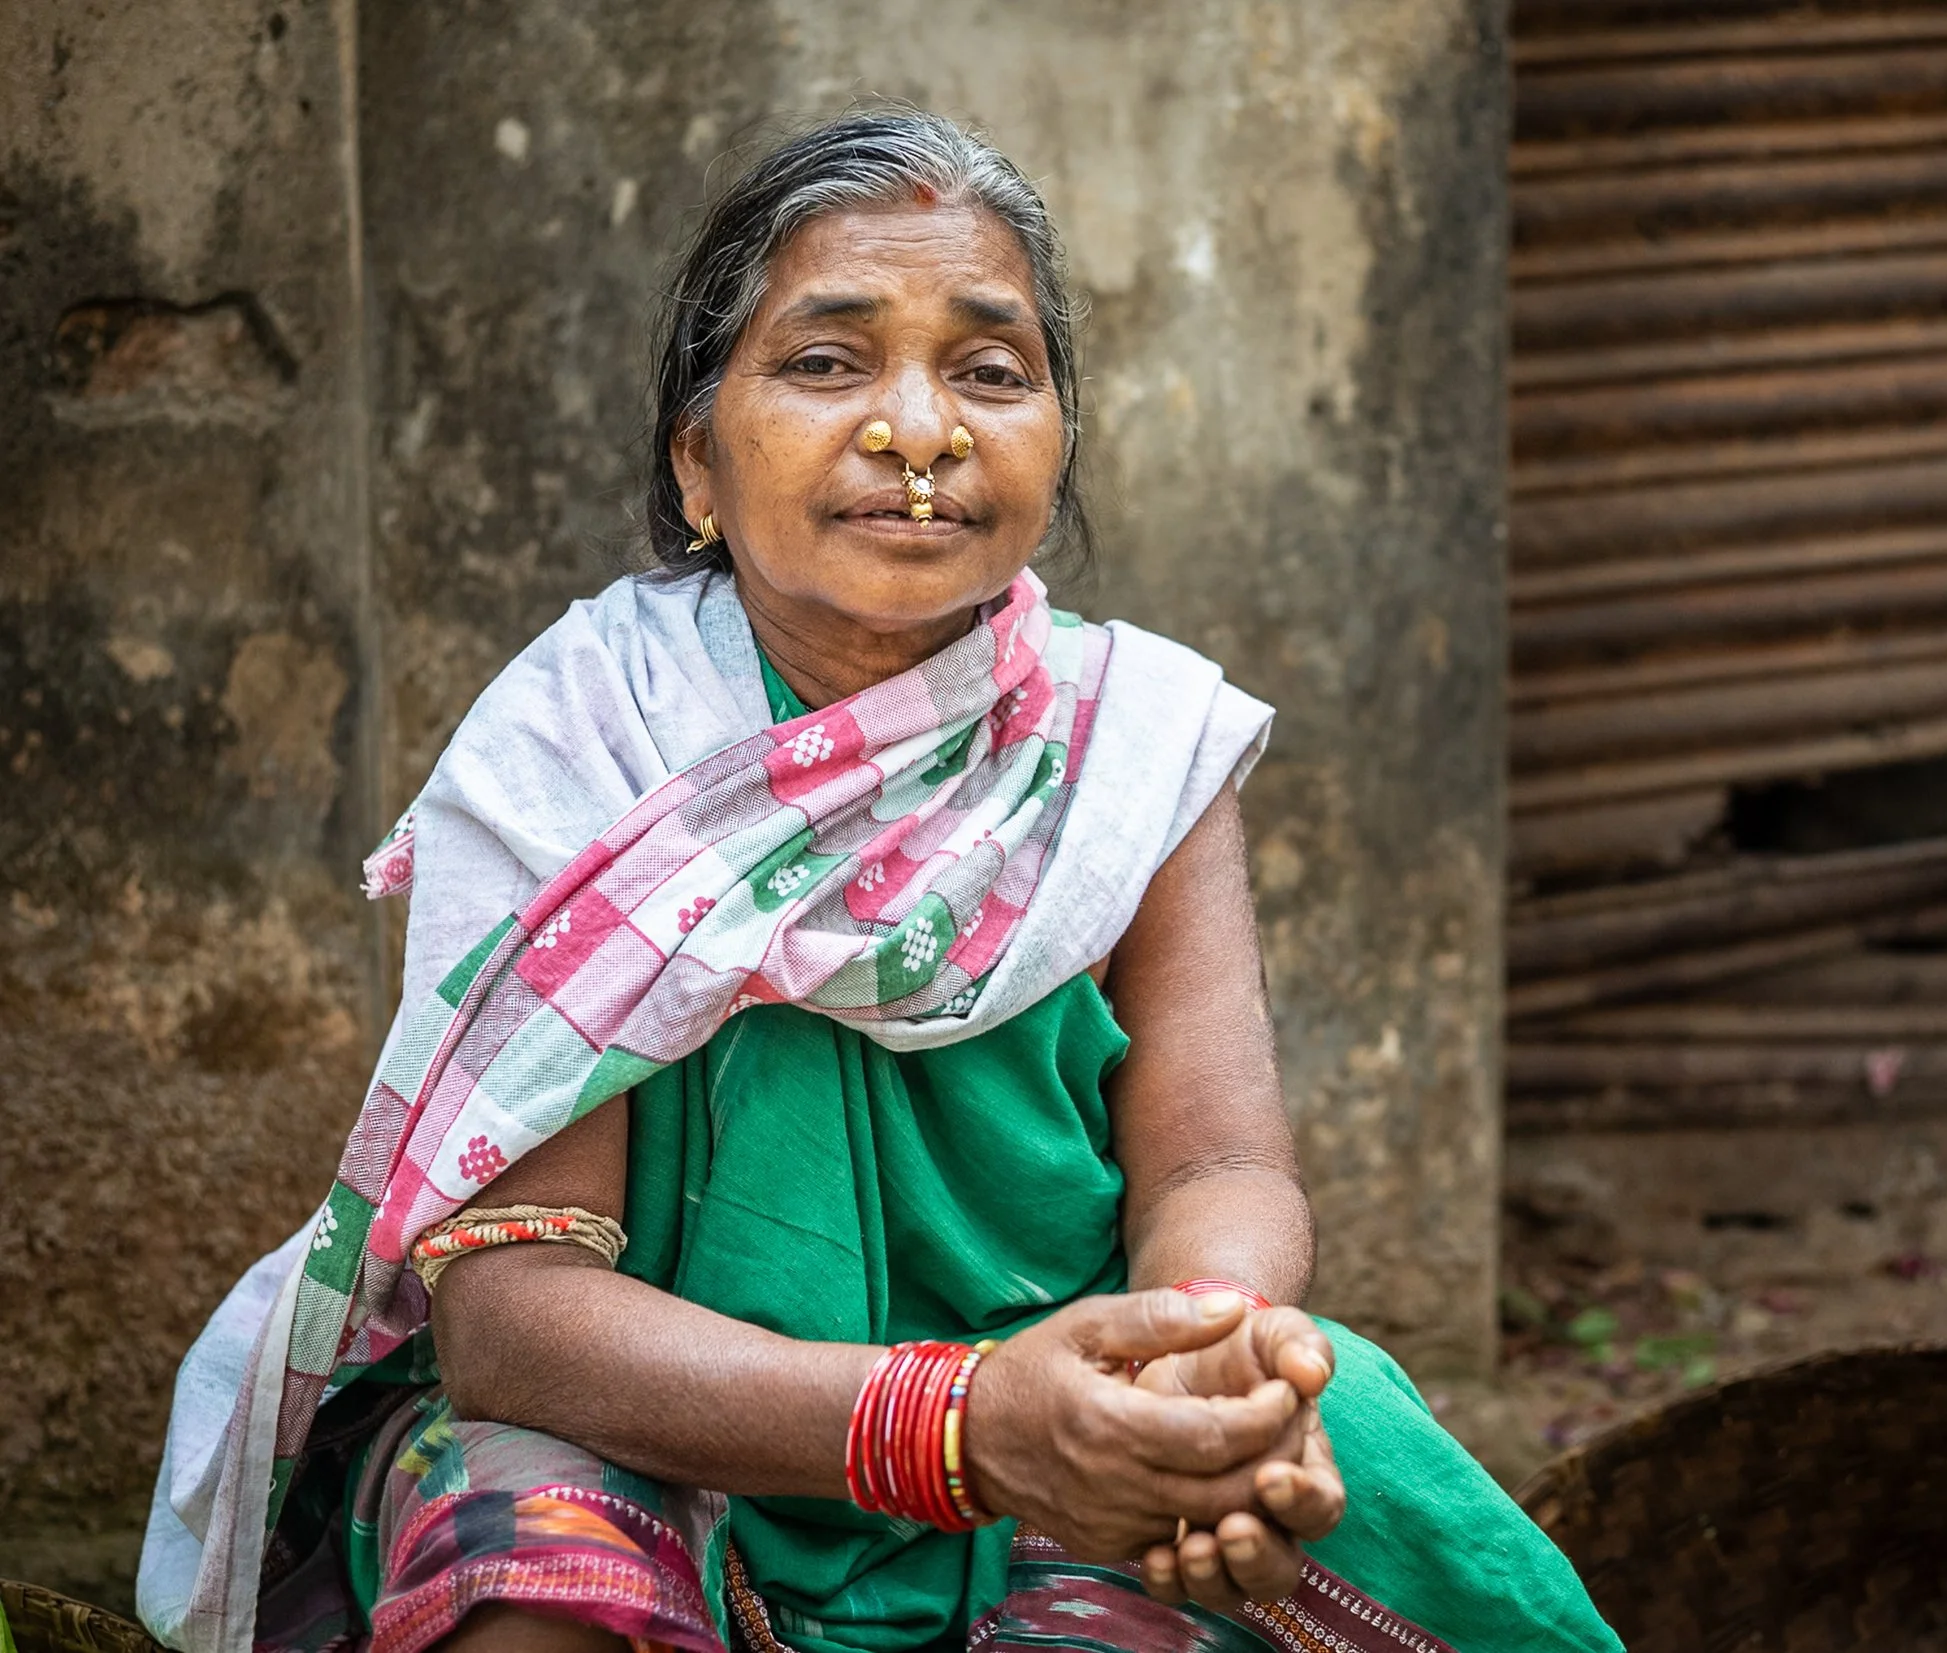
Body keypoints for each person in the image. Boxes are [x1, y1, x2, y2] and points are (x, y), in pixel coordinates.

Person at [138, 110, 1620, 1653]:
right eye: (829, 363)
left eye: (991, 370)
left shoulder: (1135, 748)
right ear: (700, 462)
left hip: (1061, 1402)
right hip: (660, 1425)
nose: (921, 428)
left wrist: (1192, 1361)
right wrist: (955, 1423)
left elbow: (1212, 1174)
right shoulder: (576, 744)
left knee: (1275, 1496)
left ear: (1055, 444)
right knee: (535, 1578)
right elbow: (514, 1321)